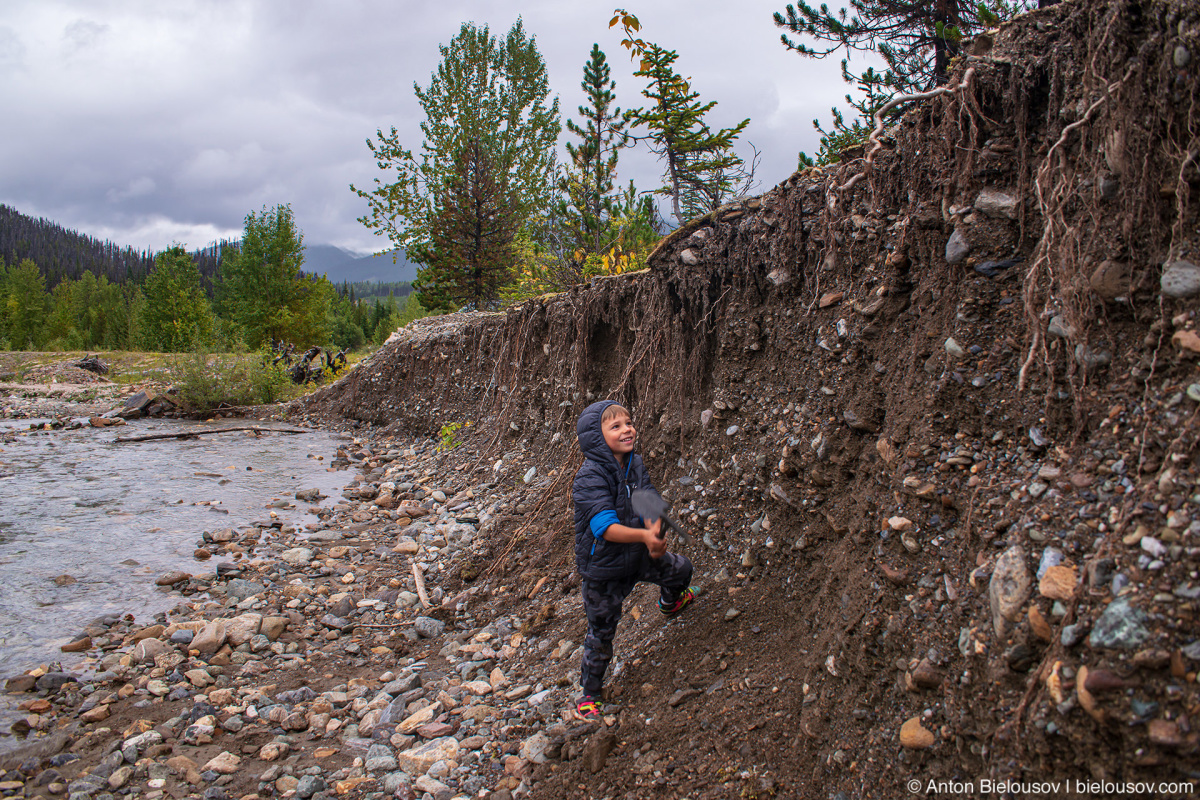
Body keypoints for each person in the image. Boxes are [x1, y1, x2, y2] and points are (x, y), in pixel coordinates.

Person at [571, 399, 696, 720]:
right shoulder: (589, 476)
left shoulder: (635, 464)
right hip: (604, 570)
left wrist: (654, 536)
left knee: (681, 569)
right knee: (601, 634)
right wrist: (644, 537)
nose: (627, 429)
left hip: (639, 556)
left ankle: (671, 603)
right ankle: (590, 694)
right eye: (616, 426)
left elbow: (649, 501)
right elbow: (604, 527)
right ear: (596, 438)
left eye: (628, 422)